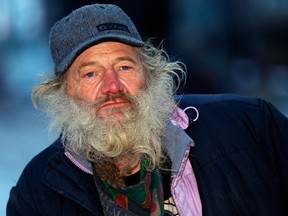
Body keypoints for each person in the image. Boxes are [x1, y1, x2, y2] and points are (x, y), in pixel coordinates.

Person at [7, 3, 288, 216]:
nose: (112, 86)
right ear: (62, 92)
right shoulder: (38, 190)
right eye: (90, 74)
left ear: (151, 73)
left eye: (125, 67)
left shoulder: (251, 126)